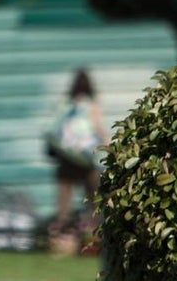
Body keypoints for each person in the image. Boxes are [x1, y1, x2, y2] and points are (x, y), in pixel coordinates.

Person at [46, 67, 109, 240]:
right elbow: (100, 131)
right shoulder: (91, 106)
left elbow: (53, 130)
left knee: (63, 207)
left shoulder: (65, 104)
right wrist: (109, 149)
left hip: (66, 159)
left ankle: (59, 240)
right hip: (86, 161)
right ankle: (93, 240)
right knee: (93, 202)